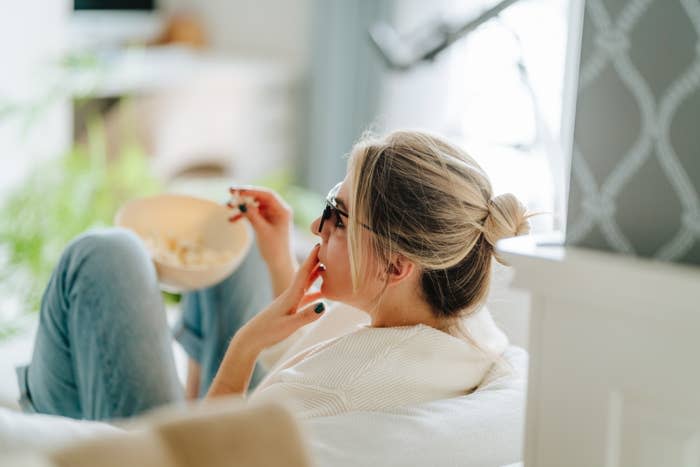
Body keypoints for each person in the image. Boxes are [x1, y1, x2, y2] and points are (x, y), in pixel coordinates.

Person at [16, 130, 531, 421]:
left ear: (397, 265)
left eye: (337, 216)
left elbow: (204, 455)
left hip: (173, 448)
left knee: (106, 255)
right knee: (234, 248)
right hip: (238, 419)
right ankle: (191, 389)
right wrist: (278, 262)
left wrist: (243, 347)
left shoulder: (333, 391)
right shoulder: (465, 322)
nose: (316, 225)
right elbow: (319, 360)